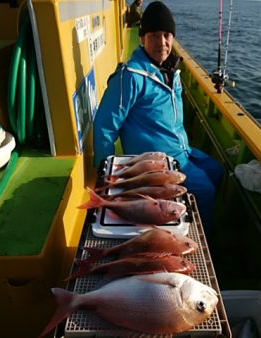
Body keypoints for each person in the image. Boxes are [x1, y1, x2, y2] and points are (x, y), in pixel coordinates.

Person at [93, 1, 224, 233]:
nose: (161, 43)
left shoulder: (172, 70)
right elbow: (104, 125)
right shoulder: (130, 77)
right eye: (154, 35)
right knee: (206, 191)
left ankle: (191, 218)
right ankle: (196, 237)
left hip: (182, 151)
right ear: (142, 38)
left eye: (166, 35)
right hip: (155, 164)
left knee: (216, 170)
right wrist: (105, 175)